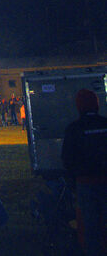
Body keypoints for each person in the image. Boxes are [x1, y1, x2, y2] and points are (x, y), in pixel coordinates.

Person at [61, 88, 107, 256]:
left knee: (89, 226)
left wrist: (74, 179)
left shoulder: (74, 129)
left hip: (85, 184)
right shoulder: (104, 124)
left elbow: (67, 158)